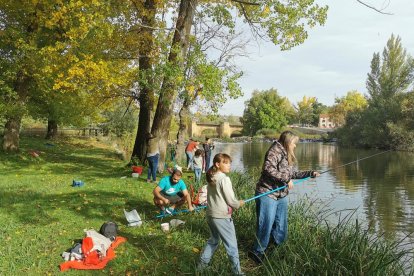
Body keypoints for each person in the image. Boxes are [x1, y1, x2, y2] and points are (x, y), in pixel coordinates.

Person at [248, 131, 320, 264]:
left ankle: (276, 249)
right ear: (287, 142)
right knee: (265, 224)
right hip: (267, 193)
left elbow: (292, 173)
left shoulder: (287, 154)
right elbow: (268, 169)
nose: (295, 146)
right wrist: (286, 180)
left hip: (281, 195)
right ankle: (257, 252)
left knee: (281, 225)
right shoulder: (274, 150)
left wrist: (310, 173)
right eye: (294, 143)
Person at [198, 153, 245, 275]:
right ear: (217, 164)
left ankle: (201, 268)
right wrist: (239, 203)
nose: (229, 165)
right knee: (232, 246)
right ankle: (237, 273)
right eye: (226, 163)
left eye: (229, 162)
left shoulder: (212, 177)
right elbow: (231, 201)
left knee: (213, 240)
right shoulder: (224, 179)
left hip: (210, 214)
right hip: (221, 217)